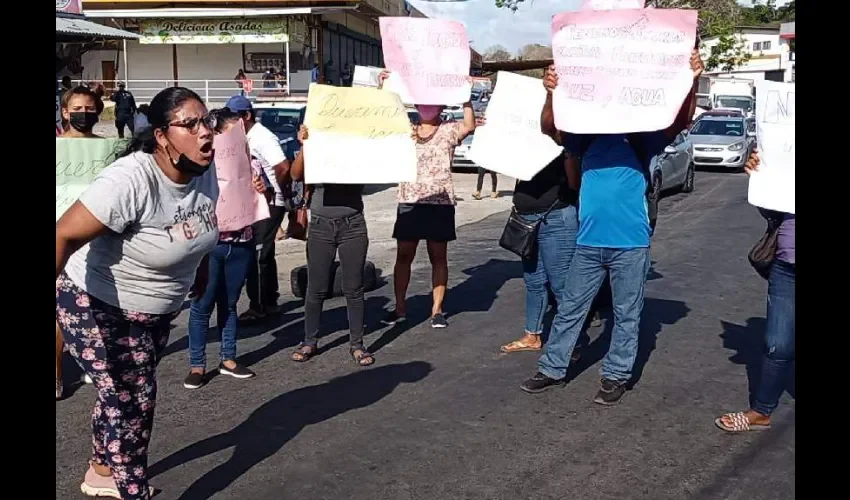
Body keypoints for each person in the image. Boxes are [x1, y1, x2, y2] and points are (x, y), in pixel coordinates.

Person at [56, 86, 219, 499]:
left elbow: (195, 228)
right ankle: (132, 490)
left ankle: (99, 471)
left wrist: (195, 273)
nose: (206, 133)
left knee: (118, 391)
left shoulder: (203, 168)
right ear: (162, 136)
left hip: (154, 309)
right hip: (93, 301)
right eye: (191, 124)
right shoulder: (130, 179)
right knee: (133, 401)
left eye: (207, 121)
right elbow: (62, 235)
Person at [520, 49, 704, 405]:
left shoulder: (642, 139)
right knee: (571, 308)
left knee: (626, 314)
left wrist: (691, 80)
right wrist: (551, 91)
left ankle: (616, 376)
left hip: (631, 245)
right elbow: (550, 127)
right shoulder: (584, 136)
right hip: (588, 243)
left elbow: (680, 119)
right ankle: (552, 368)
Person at [377, 70, 476, 328]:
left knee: (438, 256)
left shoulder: (448, 130)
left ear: (441, 106)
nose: (427, 107)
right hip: (409, 201)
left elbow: (469, 125)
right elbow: (380, 119)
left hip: (440, 203)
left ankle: (437, 310)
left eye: (432, 103)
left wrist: (466, 97)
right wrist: (384, 87)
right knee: (403, 256)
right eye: (422, 102)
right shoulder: (405, 130)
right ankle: (400, 308)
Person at [184, 108, 268, 390]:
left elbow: (261, 194)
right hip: (211, 245)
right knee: (202, 305)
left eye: (239, 130)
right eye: (231, 130)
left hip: (242, 242)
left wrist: (260, 186)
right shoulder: (201, 165)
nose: (237, 134)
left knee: (230, 304)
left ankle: (228, 358)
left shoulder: (250, 161)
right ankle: (197, 364)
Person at [715, 147, 795, 432]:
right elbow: (771, 211)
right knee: (777, 344)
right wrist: (760, 176)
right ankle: (761, 411)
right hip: (786, 267)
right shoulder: (789, 154)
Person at [288, 125, 374, 366]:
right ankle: (309, 341)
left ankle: (357, 344)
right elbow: (295, 175)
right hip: (321, 225)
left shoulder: (358, 147)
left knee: (354, 288)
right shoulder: (316, 145)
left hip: (353, 224)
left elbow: (374, 170)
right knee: (316, 288)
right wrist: (305, 145)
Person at [498, 153, 579, 354]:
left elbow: (575, 183)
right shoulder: (524, 140)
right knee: (534, 281)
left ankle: (572, 341)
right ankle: (532, 335)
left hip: (556, 217)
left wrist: (567, 155)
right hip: (527, 219)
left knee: (561, 284)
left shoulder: (562, 141)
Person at [56, 85, 105, 399]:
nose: (84, 114)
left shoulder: (109, 149)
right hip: (60, 237)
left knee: (97, 309)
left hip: (98, 239)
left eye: (90, 108)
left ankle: (91, 363)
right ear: (64, 112)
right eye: (77, 108)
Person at [225, 95, 291, 321]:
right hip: (256, 202)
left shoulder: (261, 137)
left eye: (234, 118)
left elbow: (283, 167)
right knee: (264, 253)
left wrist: (277, 193)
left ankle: (259, 305)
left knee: (258, 254)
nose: (230, 123)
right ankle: (269, 301)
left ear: (246, 116)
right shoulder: (243, 137)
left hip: (270, 202)